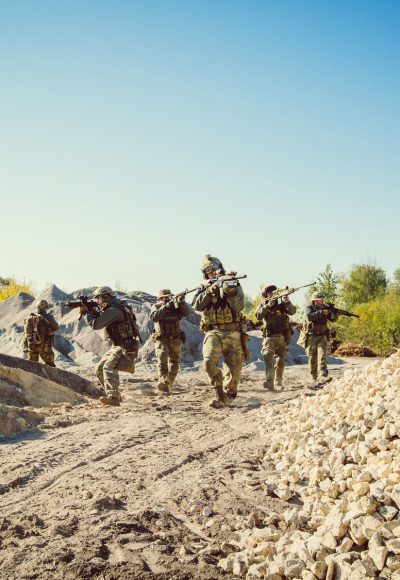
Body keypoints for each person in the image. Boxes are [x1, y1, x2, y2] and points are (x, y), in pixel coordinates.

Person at [192, 255, 245, 409]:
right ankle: (219, 392)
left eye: (215, 269)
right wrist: (210, 291)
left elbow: (239, 307)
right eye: (209, 271)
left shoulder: (233, 282)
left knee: (234, 369)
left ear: (220, 268)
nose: (213, 273)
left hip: (233, 332)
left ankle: (229, 395)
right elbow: (197, 305)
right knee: (208, 362)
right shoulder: (204, 287)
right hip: (213, 331)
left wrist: (231, 292)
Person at [80, 286, 140, 406]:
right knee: (99, 369)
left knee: (108, 367)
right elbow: (101, 318)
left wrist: (86, 313)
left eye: (98, 298)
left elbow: (96, 324)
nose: (97, 301)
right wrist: (93, 311)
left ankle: (113, 397)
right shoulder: (114, 307)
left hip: (125, 345)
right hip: (118, 345)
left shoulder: (114, 310)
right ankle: (114, 394)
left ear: (105, 296)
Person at [255, 285, 296, 390]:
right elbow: (258, 316)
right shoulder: (263, 304)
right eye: (270, 292)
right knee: (268, 355)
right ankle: (269, 381)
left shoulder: (282, 305)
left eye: (274, 292)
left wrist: (286, 300)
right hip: (269, 336)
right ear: (266, 294)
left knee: (281, 360)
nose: (272, 294)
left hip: (282, 336)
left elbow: (292, 311)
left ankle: (278, 381)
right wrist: (268, 305)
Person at [150, 289, 191, 394]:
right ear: (160, 298)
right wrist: (166, 306)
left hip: (175, 338)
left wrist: (182, 302)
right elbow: (154, 317)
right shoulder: (156, 307)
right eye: (164, 297)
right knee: (162, 357)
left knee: (174, 363)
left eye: (168, 297)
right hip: (161, 338)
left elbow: (187, 313)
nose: (167, 299)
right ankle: (163, 381)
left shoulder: (175, 307)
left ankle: (169, 382)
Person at [303, 291, 338, 382]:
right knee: (312, 358)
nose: (323, 301)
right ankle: (313, 377)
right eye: (320, 299)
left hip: (322, 335)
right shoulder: (309, 307)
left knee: (322, 353)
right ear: (315, 301)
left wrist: (335, 314)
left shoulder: (326, 308)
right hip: (311, 336)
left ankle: (323, 371)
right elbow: (309, 317)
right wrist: (321, 312)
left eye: (323, 299)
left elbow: (333, 319)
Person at [23, 299, 59, 366]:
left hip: (32, 346)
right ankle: (50, 376)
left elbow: (26, 334)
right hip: (44, 347)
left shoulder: (30, 317)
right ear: (45, 308)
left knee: (32, 366)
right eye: (46, 308)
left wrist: (25, 347)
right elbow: (56, 327)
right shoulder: (48, 317)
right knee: (50, 366)